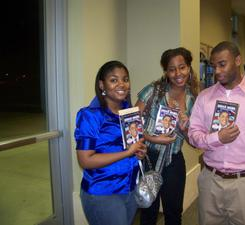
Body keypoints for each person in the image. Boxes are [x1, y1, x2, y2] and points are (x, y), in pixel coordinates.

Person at [188, 41, 245, 225]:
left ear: (238, 60)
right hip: (210, 180)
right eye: (214, 66)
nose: (217, 71)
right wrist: (217, 138)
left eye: (222, 64)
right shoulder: (204, 97)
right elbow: (193, 135)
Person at [74, 60, 147, 225]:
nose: (121, 84)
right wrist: (127, 152)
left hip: (130, 187)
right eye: (114, 80)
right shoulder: (91, 116)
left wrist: (139, 152)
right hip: (104, 192)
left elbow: (132, 147)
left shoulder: (129, 112)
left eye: (125, 79)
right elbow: (85, 160)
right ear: (102, 85)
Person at [135, 47, 199, 225]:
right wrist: (151, 138)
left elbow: (193, 142)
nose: (178, 73)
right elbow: (131, 125)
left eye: (182, 67)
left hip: (174, 161)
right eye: (172, 69)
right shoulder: (153, 91)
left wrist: (185, 126)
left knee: (174, 213)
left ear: (189, 68)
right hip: (149, 158)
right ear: (166, 72)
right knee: (148, 212)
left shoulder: (193, 100)